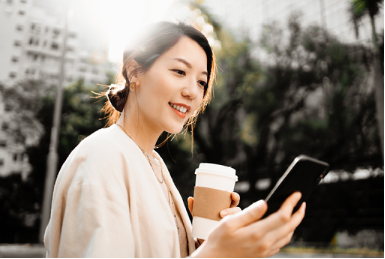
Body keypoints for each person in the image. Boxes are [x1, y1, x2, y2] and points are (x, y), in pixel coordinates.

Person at [44, 21, 306, 258]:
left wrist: (210, 243)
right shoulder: (101, 157)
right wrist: (215, 254)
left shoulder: (152, 163)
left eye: (201, 82)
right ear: (134, 70)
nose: (193, 91)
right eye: (180, 71)